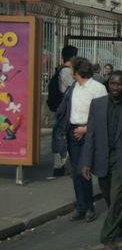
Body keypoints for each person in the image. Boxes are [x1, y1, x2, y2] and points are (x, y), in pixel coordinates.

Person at [81, 71, 122, 250]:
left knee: (117, 197)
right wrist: (86, 162)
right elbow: (91, 135)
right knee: (109, 197)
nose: (115, 88)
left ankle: (108, 237)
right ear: (108, 84)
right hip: (101, 158)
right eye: (112, 84)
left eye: (119, 84)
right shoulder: (97, 104)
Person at [54, 57, 108, 222]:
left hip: (88, 132)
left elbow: (103, 114)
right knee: (76, 173)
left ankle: (89, 207)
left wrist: (86, 129)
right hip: (72, 132)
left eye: (72, 69)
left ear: (77, 71)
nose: (70, 72)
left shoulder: (97, 88)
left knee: (83, 171)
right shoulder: (73, 88)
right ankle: (80, 207)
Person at [51, 45, 77, 177]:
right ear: (72, 56)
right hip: (64, 108)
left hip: (62, 107)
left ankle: (61, 165)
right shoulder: (66, 71)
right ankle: (59, 166)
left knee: (61, 134)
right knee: (62, 135)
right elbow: (76, 85)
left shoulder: (61, 69)